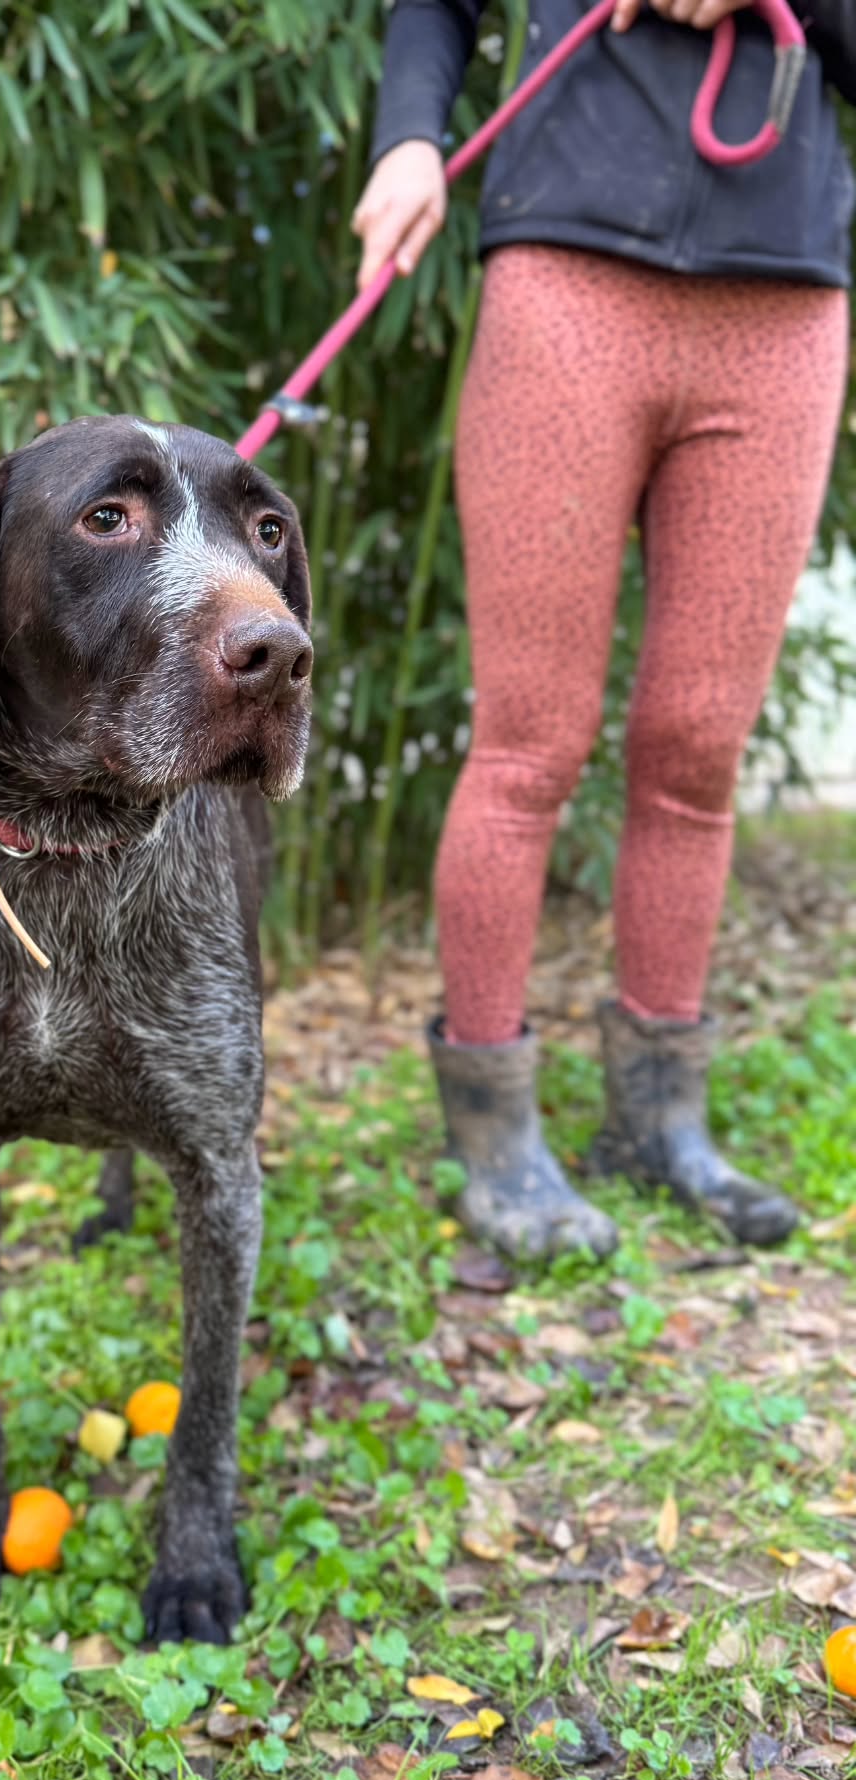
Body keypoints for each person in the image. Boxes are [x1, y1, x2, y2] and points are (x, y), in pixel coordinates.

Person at [351, 0, 854, 1260]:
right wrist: (408, 139)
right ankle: (494, 1139)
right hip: (569, 279)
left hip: (784, 306)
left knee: (696, 746)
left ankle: (658, 1119)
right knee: (530, 744)